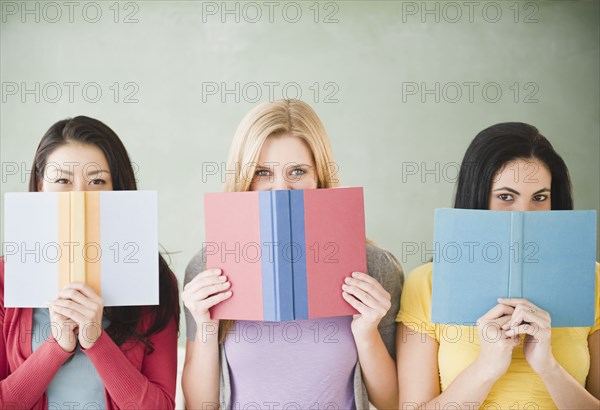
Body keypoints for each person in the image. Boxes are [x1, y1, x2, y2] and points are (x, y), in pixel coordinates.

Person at [182, 99, 404, 409]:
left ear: (320, 177)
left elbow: (392, 402)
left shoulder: (373, 267)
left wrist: (366, 332)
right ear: (243, 179)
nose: (281, 189)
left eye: (297, 172)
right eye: (262, 173)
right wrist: (206, 328)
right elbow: (199, 405)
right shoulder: (207, 268)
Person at [396, 122, 599, 409]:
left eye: (540, 198)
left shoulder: (593, 279)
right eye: (506, 197)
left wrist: (548, 367)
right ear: (479, 197)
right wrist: (487, 367)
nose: (524, 214)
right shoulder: (427, 282)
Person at [0, 116, 180, 409]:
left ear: (117, 189)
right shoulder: (4, 279)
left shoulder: (155, 279)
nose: (80, 196)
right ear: (40, 186)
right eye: (62, 181)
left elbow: (160, 406)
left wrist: (96, 341)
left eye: (97, 181)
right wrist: (56, 346)